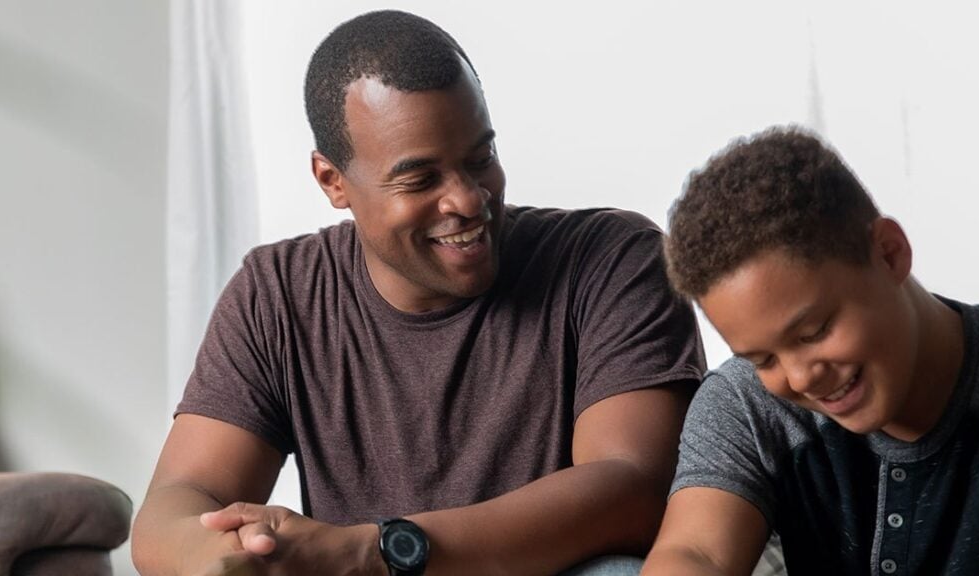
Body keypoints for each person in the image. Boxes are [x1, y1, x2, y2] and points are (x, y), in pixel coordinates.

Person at [131, 9, 705, 576]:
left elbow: (634, 487)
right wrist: (230, 554)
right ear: (333, 181)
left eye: (480, 158)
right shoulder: (278, 294)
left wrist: (374, 552)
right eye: (421, 179)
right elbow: (178, 503)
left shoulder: (612, 260)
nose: (468, 199)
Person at [642, 126, 979, 575]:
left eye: (814, 331)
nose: (799, 378)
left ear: (890, 254)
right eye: (763, 360)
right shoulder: (746, 402)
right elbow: (695, 553)